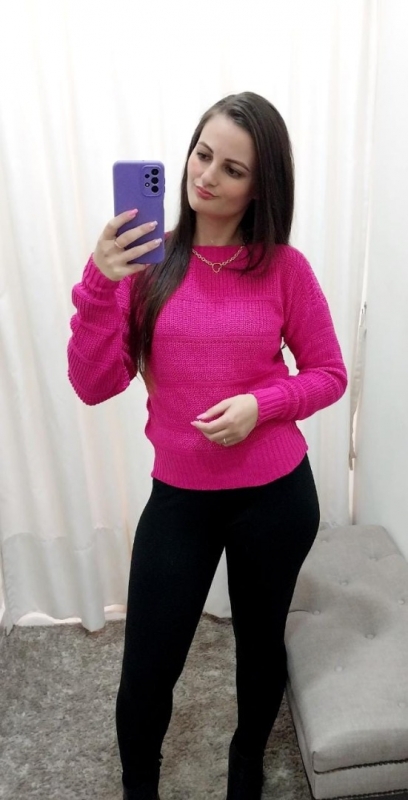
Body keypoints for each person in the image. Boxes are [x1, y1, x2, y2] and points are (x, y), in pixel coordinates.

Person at [67, 91, 348, 800]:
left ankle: (246, 759)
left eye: (233, 168)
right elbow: (94, 385)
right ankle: (139, 785)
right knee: (146, 671)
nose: (206, 177)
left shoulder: (284, 269)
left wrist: (263, 405)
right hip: (181, 500)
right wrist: (100, 280)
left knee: (259, 646)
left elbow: (329, 374)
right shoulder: (146, 264)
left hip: (276, 498)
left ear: (260, 187)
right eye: (202, 154)